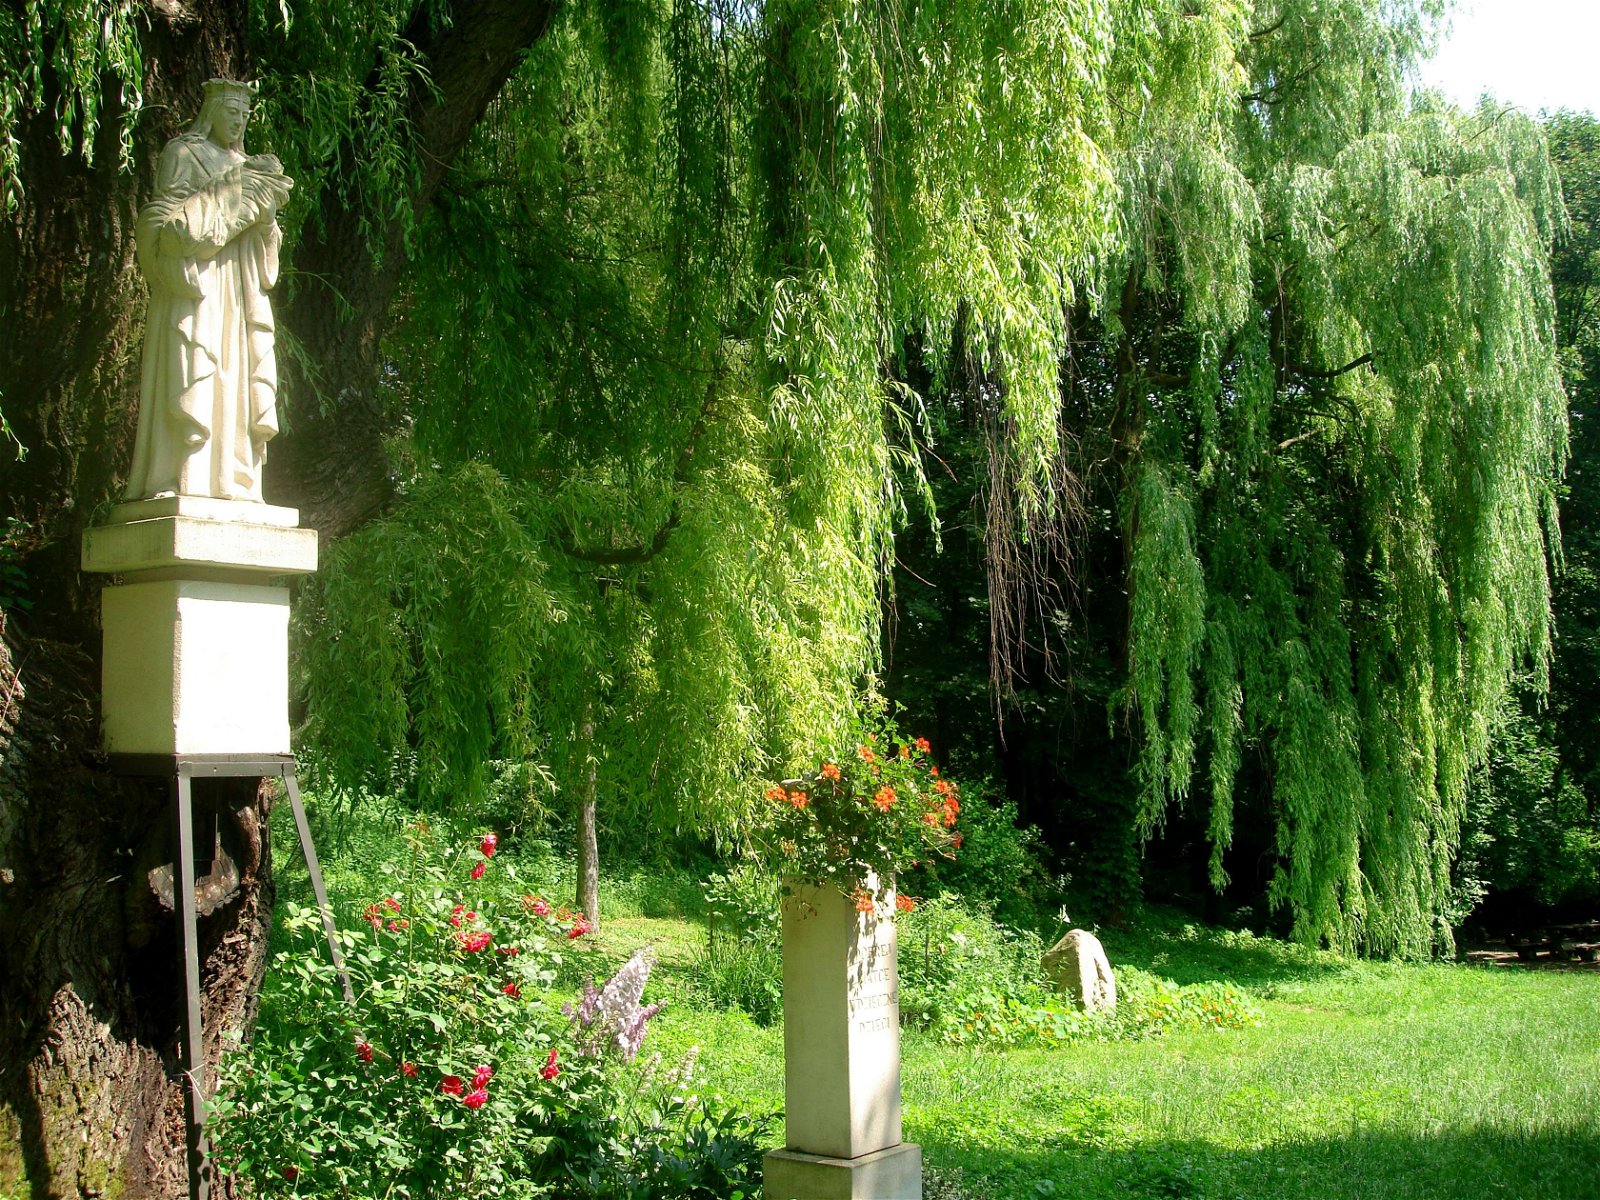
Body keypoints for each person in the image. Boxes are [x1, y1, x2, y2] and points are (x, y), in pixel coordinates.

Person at [123, 79, 294, 503]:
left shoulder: (254, 167)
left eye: (245, 115)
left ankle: (234, 477)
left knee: (235, 377)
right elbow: (163, 222)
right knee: (192, 370)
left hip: (238, 288)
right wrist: (219, 204)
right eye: (232, 112)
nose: (239, 122)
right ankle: (179, 475)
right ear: (212, 112)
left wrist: (266, 222)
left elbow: (269, 248)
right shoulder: (183, 153)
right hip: (197, 285)